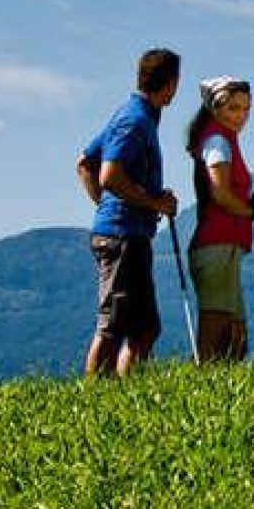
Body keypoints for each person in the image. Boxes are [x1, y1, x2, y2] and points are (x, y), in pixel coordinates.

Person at [77, 48, 180, 377]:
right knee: (112, 329)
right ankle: (95, 405)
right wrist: (152, 204)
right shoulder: (134, 121)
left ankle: (126, 396)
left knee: (145, 329)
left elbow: (84, 164)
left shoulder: (134, 116)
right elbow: (108, 174)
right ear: (171, 84)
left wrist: (111, 206)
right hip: (122, 238)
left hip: (130, 234)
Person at [186, 76, 254, 362]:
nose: (242, 116)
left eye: (246, 109)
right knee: (216, 331)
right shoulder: (217, 141)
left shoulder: (224, 140)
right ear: (215, 108)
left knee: (236, 338)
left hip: (225, 247)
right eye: (234, 108)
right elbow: (220, 194)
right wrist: (251, 211)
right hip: (217, 245)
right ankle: (202, 391)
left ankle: (222, 393)